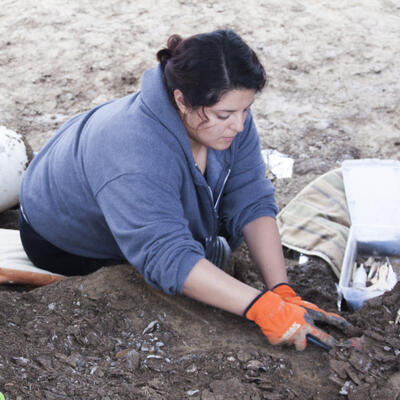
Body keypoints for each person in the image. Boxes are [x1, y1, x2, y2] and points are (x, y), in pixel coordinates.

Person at [19, 29, 348, 350]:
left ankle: (203, 252)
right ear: (181, 100)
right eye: (225, 114)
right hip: (60, 237)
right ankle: (201, 254)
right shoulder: (134, 150)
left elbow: (251, 196)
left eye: (246, 110)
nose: (239, 124)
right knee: (169, 276)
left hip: (137, 192)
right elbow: (164, 253)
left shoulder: (227, 119)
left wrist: (281, 292)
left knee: (207, 240)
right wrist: (261, 308)